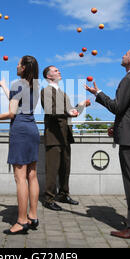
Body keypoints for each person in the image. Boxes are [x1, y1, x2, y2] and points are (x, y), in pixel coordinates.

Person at [86, 48, 130, 240]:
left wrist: (98, 93)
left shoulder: (129, 79)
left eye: (125, 54)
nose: (122, 56)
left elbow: (117, 107)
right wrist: (116, 129)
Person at [0, 56, 40, 235]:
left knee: (20, 178)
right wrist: (4, 86)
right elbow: (18, 103)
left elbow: (12, 113)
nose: (17, 66)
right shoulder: (33, 85)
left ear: (25, 67)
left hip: (20, 131)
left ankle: (21, 221)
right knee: (32, 175)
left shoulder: (18, 84)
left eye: (19, 64)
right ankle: (33, 216)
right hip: (32, 129)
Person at [41, 66, 89, 211]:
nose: (59, 71)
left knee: (65, 168)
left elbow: (70, 113)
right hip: (54, 135)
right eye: (55, 71)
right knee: (52, 169)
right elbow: (51, 111)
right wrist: (70, 112)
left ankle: (63, 194)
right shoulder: (46, 91)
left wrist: (80, 107)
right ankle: (49, 198)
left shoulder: (63, 93)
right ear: (48, 76)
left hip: (65, 136)